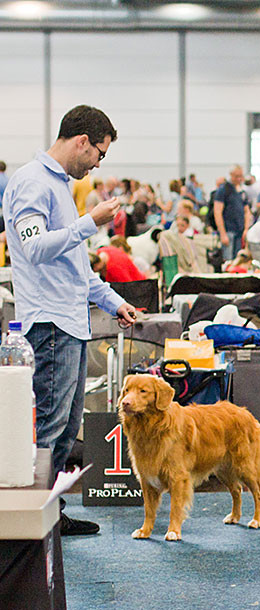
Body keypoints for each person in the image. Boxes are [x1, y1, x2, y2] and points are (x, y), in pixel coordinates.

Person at [1, 104, 137, 536]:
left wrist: (115, 301)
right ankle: (32, 518)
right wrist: (89, 223)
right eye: (99, 152)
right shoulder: (30, 183)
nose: (98, 162)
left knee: (64, 429)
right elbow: (35, 248)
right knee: (49, 428)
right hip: (49, 324)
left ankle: (49, 512)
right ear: (82, 141)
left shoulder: (60, 187)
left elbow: (78, 270)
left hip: (71, 322)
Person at [212, 165, 252, 260]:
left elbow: (247, 211)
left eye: (241, 176)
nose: (239, 179)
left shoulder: (242, 191)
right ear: (231, 175)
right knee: (228, 260)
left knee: (239, 259)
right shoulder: (223, 190)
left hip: (240, 231)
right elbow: (217, 212)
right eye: (236, 176)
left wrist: (246, 229)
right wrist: (222, 233)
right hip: (228, 231)